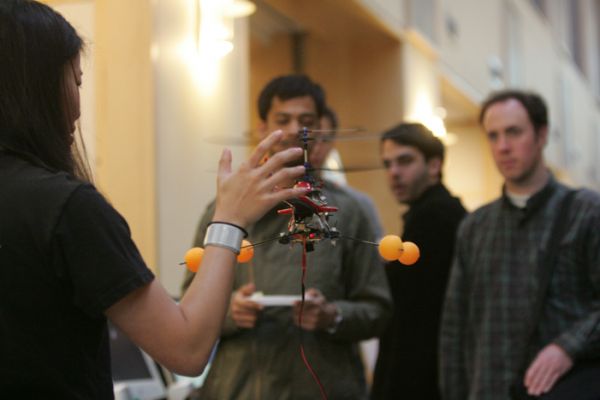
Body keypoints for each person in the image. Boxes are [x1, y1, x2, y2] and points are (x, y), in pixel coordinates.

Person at [0, 1, 308, 398]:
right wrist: (229, 220)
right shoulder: (64, 207)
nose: (78, 107)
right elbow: (187, 348)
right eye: (76, 82)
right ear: (40, 86)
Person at [182, 74, 392, 399]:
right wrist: (230, 313)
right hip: (240, 388)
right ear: (262, 128)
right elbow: (188, 306)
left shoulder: (349, 212)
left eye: (305, 121)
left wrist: (333, 316)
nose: (294, 129)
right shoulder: (223, 210)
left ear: (318, 129)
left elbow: (377, 310)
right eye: (283, 120)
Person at [440, 89, 600, 399]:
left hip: (564, 388)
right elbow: (454, 329)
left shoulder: (586, 213)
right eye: (493, 136)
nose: (503, 147)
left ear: (541, 135)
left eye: (514, 132)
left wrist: (568, 345)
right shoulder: (475, 227)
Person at [370, 123, 466, 400]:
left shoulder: (436, 217)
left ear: (434, 165)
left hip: (424, 374)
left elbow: (410, 308)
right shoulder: (428, 213)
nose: (394, 173)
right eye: (387, 164)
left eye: (405, 161)